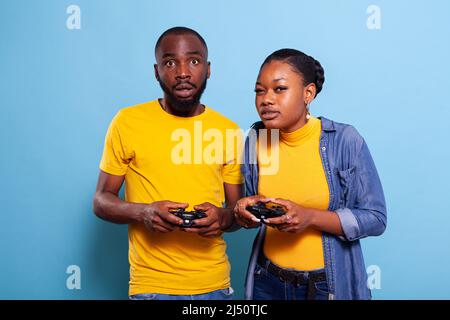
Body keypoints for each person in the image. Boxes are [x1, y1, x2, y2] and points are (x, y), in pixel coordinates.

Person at [93, 27, 244, 300]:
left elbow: (235, 213)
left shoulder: (229, 131)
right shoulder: (127, 123)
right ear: (156, 71)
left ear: (208, 69)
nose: (183, 72)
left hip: (215, 286)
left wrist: (222, 217)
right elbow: (101, 200)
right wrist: (144, 212)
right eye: (170, 62)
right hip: (150, 287)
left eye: (194, 61)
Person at [234, 49, 387, 300]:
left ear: (308, 93)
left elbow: (376, 217)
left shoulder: (344, 140)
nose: (266, 99)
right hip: (267, 282)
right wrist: (244, 212)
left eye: (279, 89)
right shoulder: (256, 139)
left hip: (325, 285)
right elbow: (251, 209)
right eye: (259, 90)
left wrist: (310, 218)